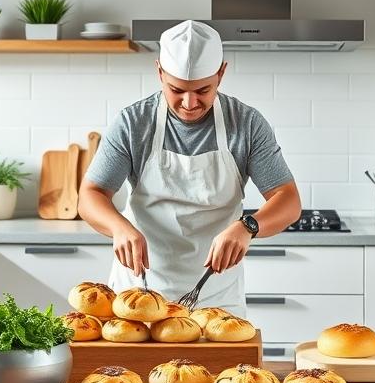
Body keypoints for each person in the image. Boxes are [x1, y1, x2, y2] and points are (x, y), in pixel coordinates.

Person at [78, 20, 302, 312]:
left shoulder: (246, 124)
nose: (189, 102)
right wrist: (119, 227)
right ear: (159, 72)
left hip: (216, 299)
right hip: (139, 294)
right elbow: (90, 195)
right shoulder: (134, 123)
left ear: (221, 74)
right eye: (176, 89)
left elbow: (288, 200)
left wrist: (247, 226)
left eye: (202, 90)